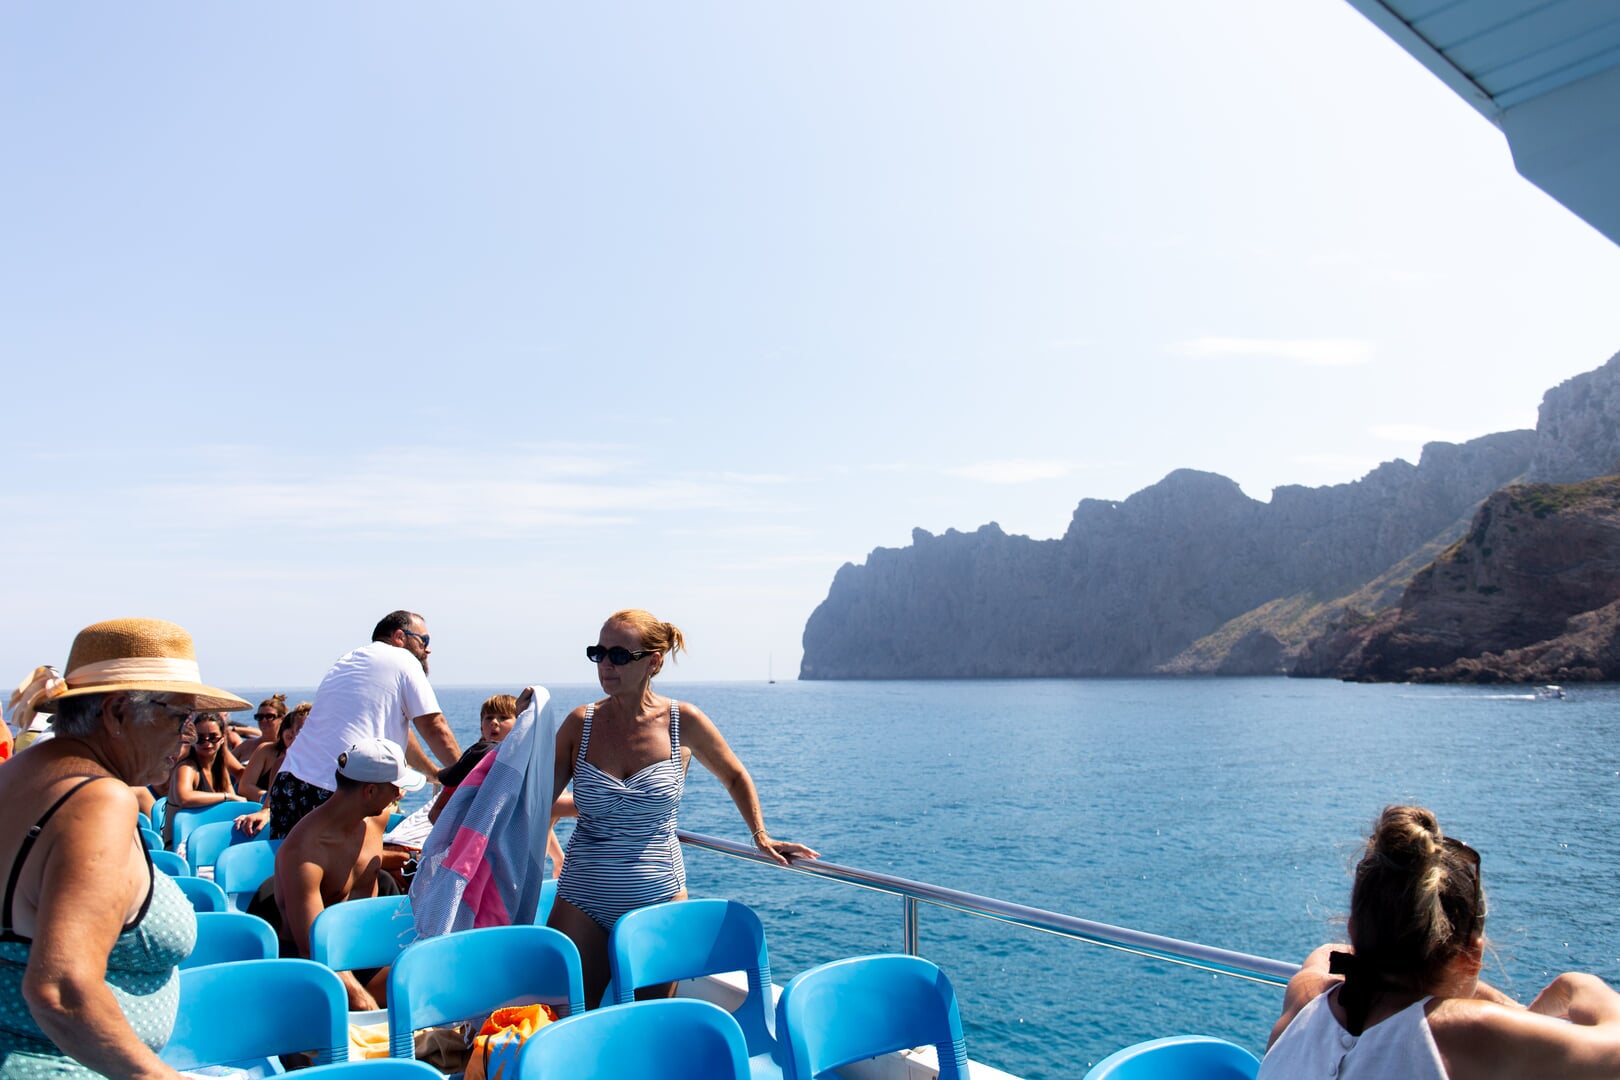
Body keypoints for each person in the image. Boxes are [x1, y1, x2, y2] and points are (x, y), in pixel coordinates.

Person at [0, 618, 249, 1079]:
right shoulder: (99, 800)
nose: (187, 738)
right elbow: (60, 989)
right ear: (116, 712)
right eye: (180, 718)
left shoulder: (18, 775)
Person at [549, 609, 818, 1005]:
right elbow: (536, 802)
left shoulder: (682, 721)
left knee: (650, 1025)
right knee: (565, 1019)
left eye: (620, 655)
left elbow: (734, 775)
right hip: (583, 896)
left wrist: (760, 835)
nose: (606, 664)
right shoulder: (579, 724)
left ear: (653, 662)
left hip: (658, 895)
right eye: (598, 652)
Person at [1259, 804, 1620, 1079]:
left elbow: (1327, 954)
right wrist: (1575, 985)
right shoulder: (1465, 1031)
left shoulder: (1304, 998)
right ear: (1471, 956)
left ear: (1354, 928)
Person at [256, 738, 424, 1011]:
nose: (400, 795)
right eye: (396, 788)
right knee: (383, 1013)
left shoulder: (376, 819)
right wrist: (361, 1000)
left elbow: (363, 865)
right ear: (369, 791)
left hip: (362, 951)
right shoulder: (305, 852)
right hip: (317, 969)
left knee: (437, 991)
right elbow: (312, 948)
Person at [268, 610, 460, 839]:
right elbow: (434, 725)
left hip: (291, 783)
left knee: (284, 869)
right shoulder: (404, 659)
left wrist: (434, 773)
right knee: (349, 872)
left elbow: (400, 734)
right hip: (339, 790)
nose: (427, 649)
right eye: (424, 640)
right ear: (400, 637)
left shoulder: (349, 660)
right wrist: (469, 778)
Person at [381, 694, 570, 887]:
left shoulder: (503, 767)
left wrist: (558, 858)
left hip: (406, 845)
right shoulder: (484, 761)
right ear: (481, 727)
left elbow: (539, 816)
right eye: (489, 718)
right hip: (412, 849)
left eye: (503, 718)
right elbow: (437, 814)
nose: (495, 722)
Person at [164, 712, 249, 823]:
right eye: (200, 738)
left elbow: (233, 803)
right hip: (183, 836)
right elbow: (184, 798)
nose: (207, 743)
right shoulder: (187, 768)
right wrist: (226, 796)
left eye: (213, 737)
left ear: (223, 738)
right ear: (193, 739)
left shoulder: (220, 766)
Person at [238, 701, 309, 804]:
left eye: (300, 735)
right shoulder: (266, 751)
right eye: (289, 737)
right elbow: (245, 787)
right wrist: (270, 800)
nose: (294, 741)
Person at [230, 694, 287, 760]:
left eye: (269, 716)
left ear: (282, 719)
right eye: (260, 717)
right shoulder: (246, 746)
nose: (264, 720)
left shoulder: (287, 748)